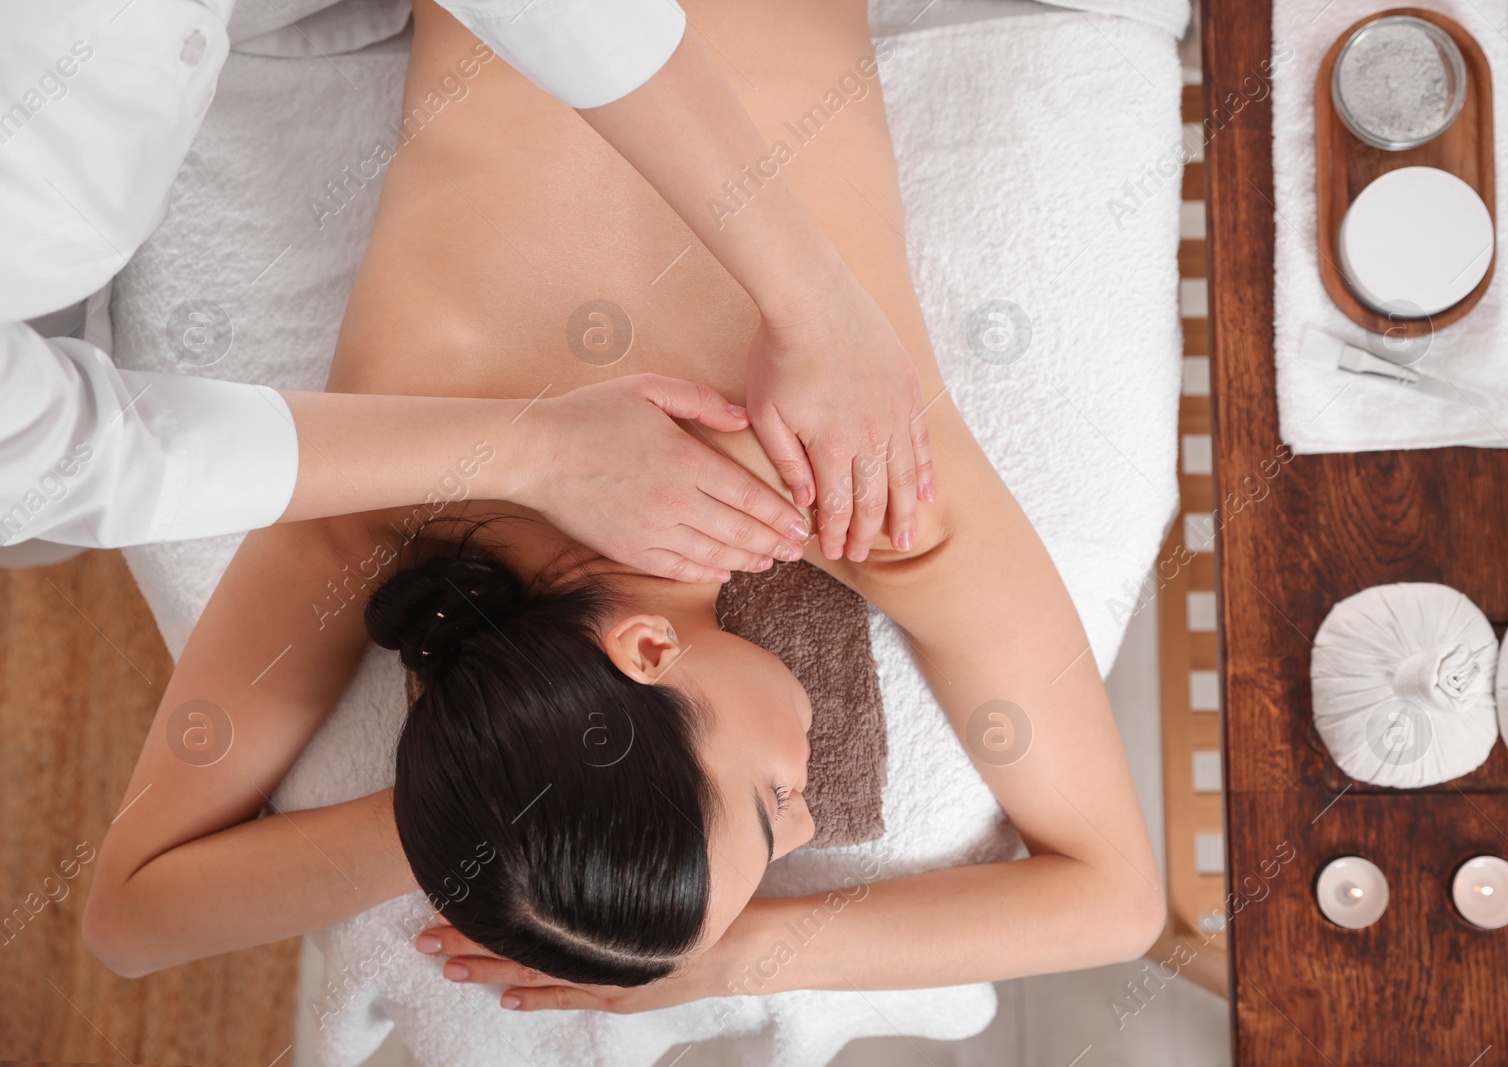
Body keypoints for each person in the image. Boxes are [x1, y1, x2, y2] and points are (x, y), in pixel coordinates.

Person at [81, 0, 1163, 1012]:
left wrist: (712, 942)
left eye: (763, 804)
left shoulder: (845, 479)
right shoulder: (376, 496)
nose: (810, 822)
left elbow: (1113, 900)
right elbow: (126, 916)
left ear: (648, 649)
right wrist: (489, 808)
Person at [0, 0, 935, 577]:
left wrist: (819, 303)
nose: (803, 817)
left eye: (773, 808)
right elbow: (52, 466)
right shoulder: (867, 489)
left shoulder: (385, 491)